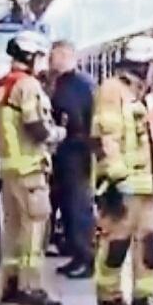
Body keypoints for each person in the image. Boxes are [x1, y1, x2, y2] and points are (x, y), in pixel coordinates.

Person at [91, 35, 153, 305]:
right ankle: (109, 293)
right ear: (141, 65)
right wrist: (118, 176)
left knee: (150, 242)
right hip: (121, 186)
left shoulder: (147, 98)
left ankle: (145, 298)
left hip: (147, 186)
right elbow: (105, 138)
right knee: (116, 242)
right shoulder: (112, 91)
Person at [0, 30, 65, 305]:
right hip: (30, 169)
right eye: (39, 57)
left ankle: (10, 285)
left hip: (9, 169)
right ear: (30, 56)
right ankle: (30, 286)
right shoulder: (28, 86)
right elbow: (35, 125)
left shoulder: (1, 86)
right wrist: (58, 134)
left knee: (12, 230)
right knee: (34, 229)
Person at [49, 40, 95, 278]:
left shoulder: (82, 85)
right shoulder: (60, 82)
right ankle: (75, 254)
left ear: (67, 56)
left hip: (78, 150)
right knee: (67, 206)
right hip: (64, 151)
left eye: (54, 56)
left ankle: (86, 257)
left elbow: (83, 119)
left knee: (78, 206)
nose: (51, 60)